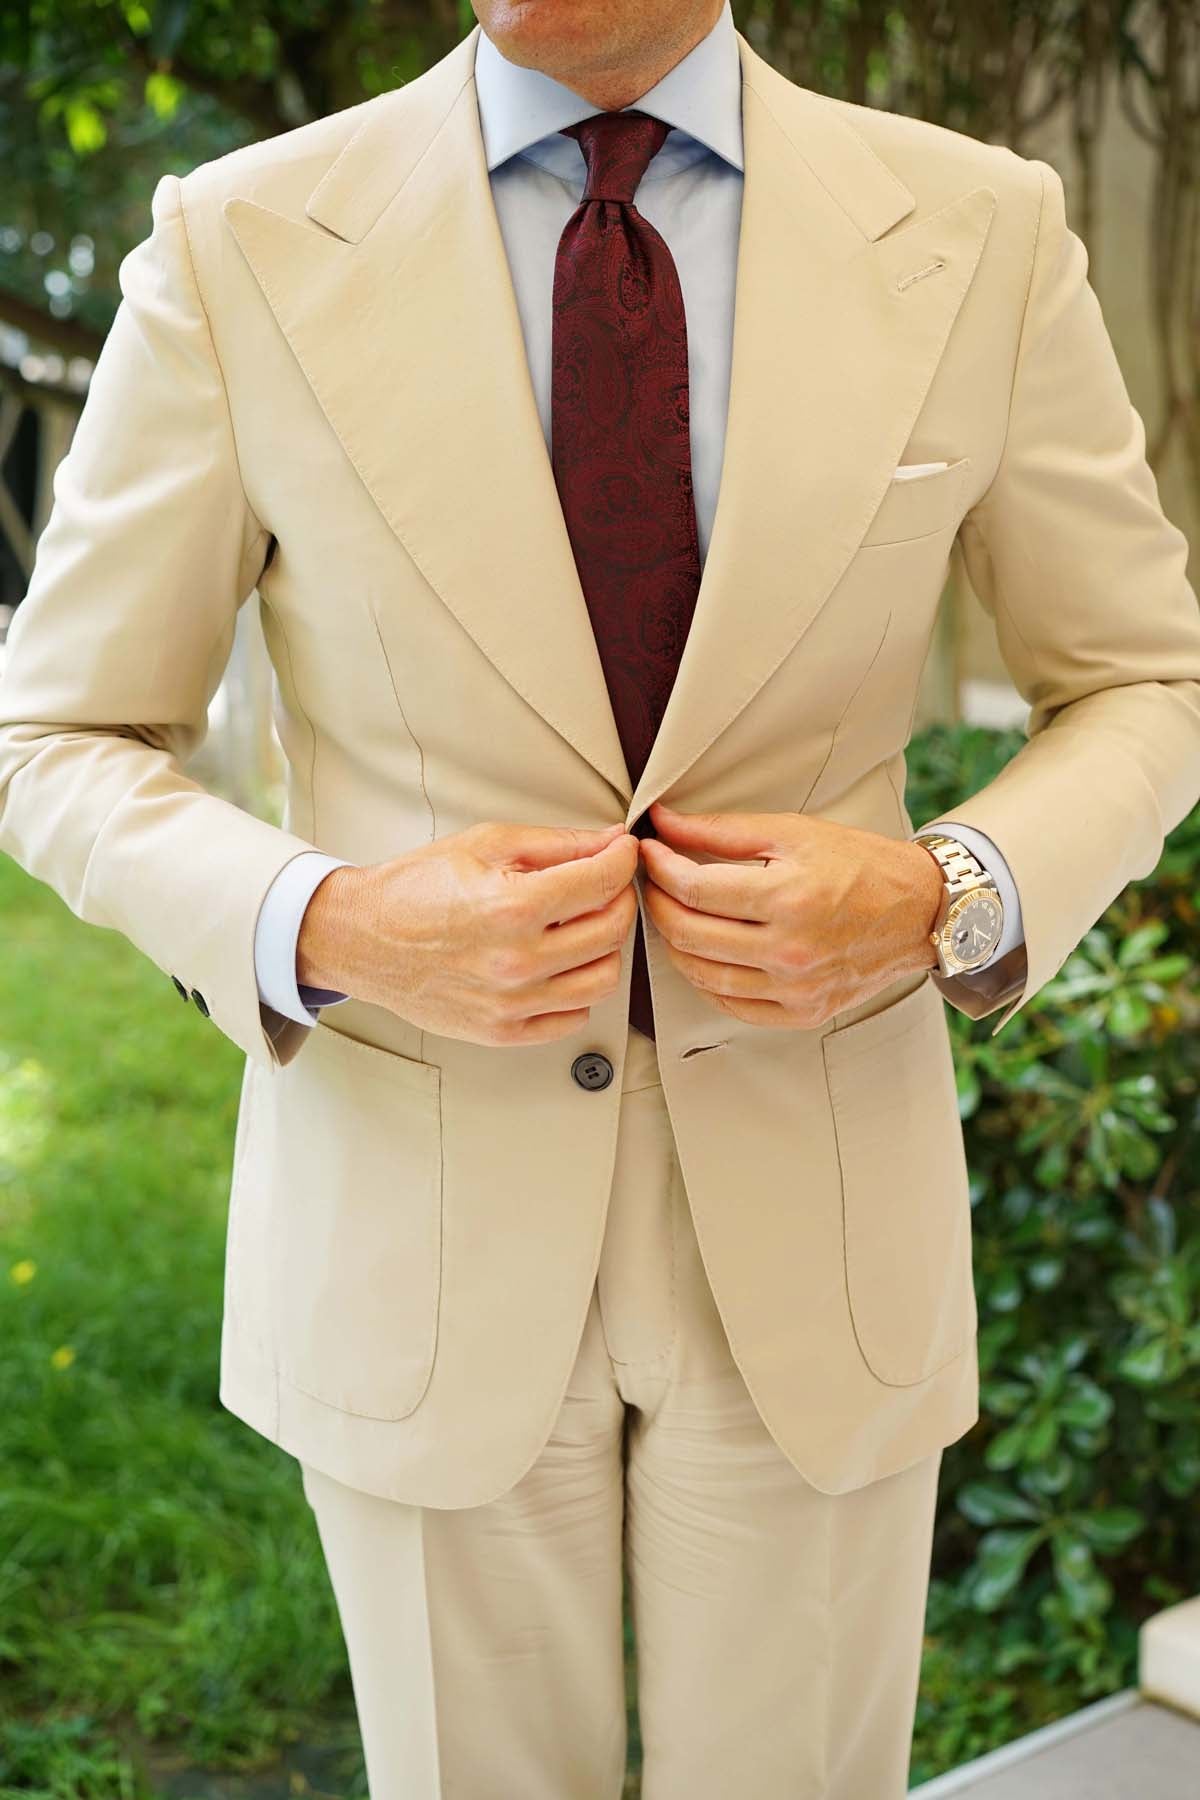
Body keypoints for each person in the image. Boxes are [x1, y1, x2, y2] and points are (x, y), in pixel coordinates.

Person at [2, 1, 1199, 1794]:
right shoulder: (238, 238)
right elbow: (58, 727)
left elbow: (1145, 678)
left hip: (823, 1213)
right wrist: (331, 925)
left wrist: (953, 888)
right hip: (412, 1225)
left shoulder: (978, 226)